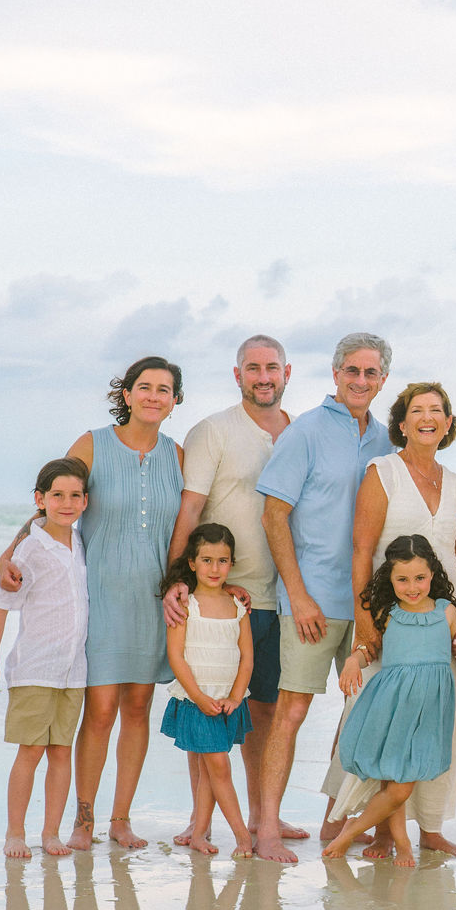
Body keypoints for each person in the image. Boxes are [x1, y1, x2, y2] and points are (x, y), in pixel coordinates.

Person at [0, 356, 185, 850]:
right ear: (126, 395)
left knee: (139, 706)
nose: (152, 396)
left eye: (163, 390)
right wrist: (10, 549)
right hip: (98, 594)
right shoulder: (93, 444)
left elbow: (184, 531)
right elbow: (54, 502)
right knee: (100, 710)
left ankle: (120, 819)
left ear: (174, 400)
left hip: (152, 597)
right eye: (143, 387)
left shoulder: (177, 455)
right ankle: (83, 820)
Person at [253, 333, 394, 863]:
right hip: (310, 599)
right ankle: (266, 826)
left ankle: (335, 820)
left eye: (371, 373)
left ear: (383, 380)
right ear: (335, 374)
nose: (361, 381)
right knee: (291, 711)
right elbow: (274, 515)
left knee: (358, 712)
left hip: (368, 605)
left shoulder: (385, 441)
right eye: (352, 371)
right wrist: (298, 594)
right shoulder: (306, 431)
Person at [335, 381, 456, 858]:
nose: (428, 417)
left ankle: (433, 827)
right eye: (417, 411)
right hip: (391, 617)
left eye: (437, 410)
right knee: (389, 725)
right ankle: (380, 830)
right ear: (401, 425)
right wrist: (365, 625)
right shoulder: (383, 472)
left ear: (447, 424)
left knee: (442, 721)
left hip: (445, 620)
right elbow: (362, 550)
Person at [162, 335, 305, 844]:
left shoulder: (299, 432)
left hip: (282, 597)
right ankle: (200, 822)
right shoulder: (212, 431)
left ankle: (264, 814)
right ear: (237, 374)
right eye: (253, 368)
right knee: (210, 709)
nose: (263, 376)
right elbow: (191, 509)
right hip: (223, 603)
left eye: (272, 367)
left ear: (287, 373)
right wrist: (177, 581)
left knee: (264, 711)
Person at [323, 536, 456, 868]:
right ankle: (360, 836)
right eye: (402, 579)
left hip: (431, 708)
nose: (412, 587)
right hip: (394, 705)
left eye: (420, 578)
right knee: (397, 786)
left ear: (433, 574)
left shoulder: (447, 611)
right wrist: (350, 662)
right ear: (389, 578)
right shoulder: (388, 613)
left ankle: (394, 843)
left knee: (401, 782)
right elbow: (364, 649)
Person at [0, 457, 91, 860]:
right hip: (35, 668)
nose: (67, 503)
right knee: (31, 750)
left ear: (85, 501)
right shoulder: (31, 548)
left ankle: (51, 833)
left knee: (61, 751)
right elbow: (0, 604)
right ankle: (14, 832)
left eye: (75, 495)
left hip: (73, 672)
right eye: (57, 495)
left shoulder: (81, 543)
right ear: (40, 500)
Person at [158, 523, 256, 859]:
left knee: (207, 771)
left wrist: (235, 696)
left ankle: (199, 833)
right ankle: (243, 837)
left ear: (231, 564)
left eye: (223, 561)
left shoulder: (237, 606)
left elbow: (247, 658)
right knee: (218, 766)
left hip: (227, 703)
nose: (215, 568)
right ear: (192, 563)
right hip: (197, 701)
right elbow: (176, 656)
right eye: (207, 560)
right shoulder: (186, 605)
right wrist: (199, 698)